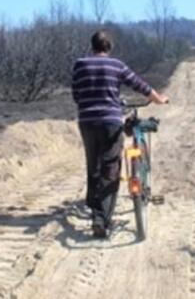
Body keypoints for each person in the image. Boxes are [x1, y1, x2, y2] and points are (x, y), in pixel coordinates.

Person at [71, 29, 169, 238]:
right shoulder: (117, 65)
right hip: (110, 122)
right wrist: (158, 99)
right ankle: (100, 219)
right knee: (110, 168)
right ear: (110, 47)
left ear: (92, 46)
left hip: (87, 121)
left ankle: (93, 204)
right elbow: (139, 85)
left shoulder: (80, 65)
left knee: (93, 164)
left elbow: (76, 94)